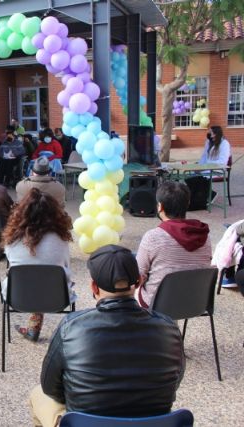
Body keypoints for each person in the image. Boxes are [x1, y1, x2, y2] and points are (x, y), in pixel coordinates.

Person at [30, 244, 185, 426]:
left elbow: (50, 387)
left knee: (38, 394)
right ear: (139, 282)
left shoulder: (70, 327)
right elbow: (174, 383)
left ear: (94, 287)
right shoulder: (169, 327)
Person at [1, 188, 73, 342]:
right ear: (55, 213)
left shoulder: (12, 239)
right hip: (57, 297)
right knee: (45, 277)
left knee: (31, 277)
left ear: (22, 212)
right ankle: (35, 327)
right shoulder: (61, 239)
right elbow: (66, 266)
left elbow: (12, 260)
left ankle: (33, 327)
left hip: (18, 295)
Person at [136, 180, 211, 308]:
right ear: (187, 204)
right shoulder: (204, 235)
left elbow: (138, 277)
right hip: (196, 302)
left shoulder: (153, 237)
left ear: (160, 206)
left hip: (158, 303)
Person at [186, 125, 231, 210]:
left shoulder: (224, 144)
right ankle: (205, 196)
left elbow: (222, 162)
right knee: (189, 176)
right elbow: (204, 157)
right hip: (207, 168)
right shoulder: (210, 142)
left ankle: (203, 200)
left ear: (217, 134)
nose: (210, 135)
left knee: (198, 178)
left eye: (212, 133)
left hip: (217, 170)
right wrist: (198, 167)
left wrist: (205, 167)